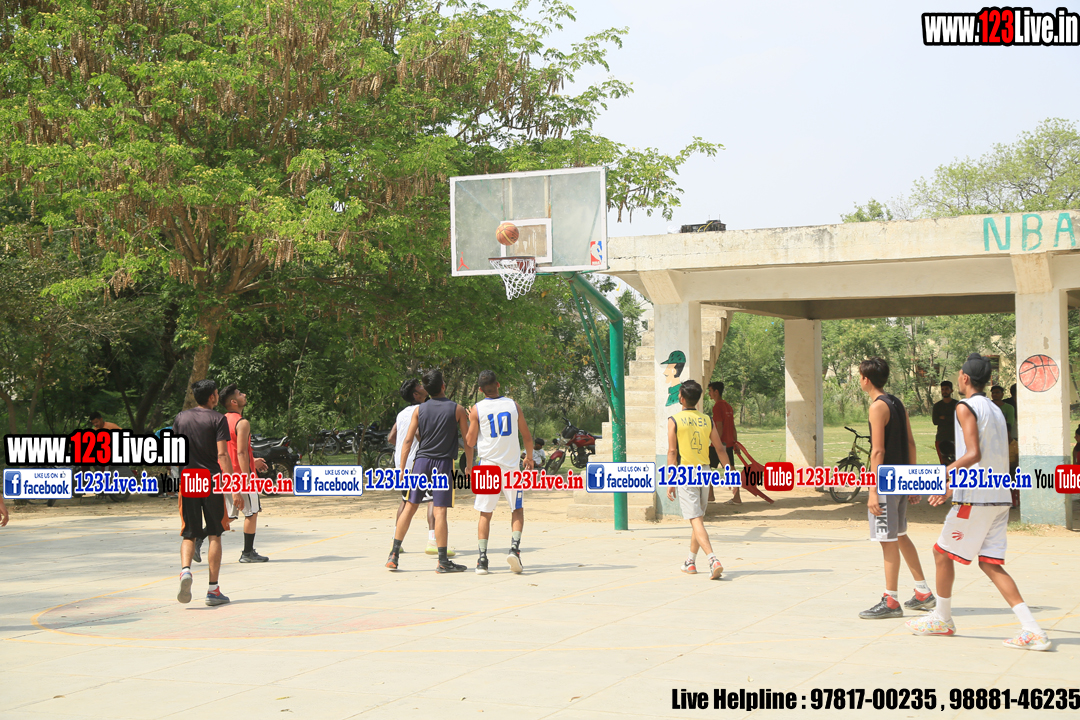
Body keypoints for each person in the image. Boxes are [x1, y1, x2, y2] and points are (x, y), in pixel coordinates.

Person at [907, 354, 1050, 650]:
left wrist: (945, 476)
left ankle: (942, 619)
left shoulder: (965, 406)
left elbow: (973, 454)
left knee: (941, 553)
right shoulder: (996, 409)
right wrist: (954, 486)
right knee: (990, 564)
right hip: (999, 496)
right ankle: (1032, 629)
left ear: (964, 378)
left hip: (977, 498)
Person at [858, 357, 935, 619]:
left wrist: (872, 490)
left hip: (886, 483)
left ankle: (890, 600)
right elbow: (911, 443)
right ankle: (923, 591)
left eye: (860, 376)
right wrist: (912, 481)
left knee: (887, 540)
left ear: (866, 379)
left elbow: (877, 451)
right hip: (901, 478)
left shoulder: (877, 407)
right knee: (900, 535)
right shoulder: (897, 403)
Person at [387, 369, 473, 573]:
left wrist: (401, 469)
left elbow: (407, 440)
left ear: (427, 389)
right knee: (440, 510)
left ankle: (393, 555)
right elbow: (468, 441)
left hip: (421, 462)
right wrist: (469, 466)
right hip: (443, 464)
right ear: (443, 386)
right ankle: (442, 561)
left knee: (410, 506)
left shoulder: (419, 410)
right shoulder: (457, 409)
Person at [172, 379, 234, 606]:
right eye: (216, 393)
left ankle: (186, 571)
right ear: (212, 397)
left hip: (188, 479)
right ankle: (213, 590)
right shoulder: (218, 419)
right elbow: (222, 455)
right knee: (215, 533)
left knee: (189, 533)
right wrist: (232, 484)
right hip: (212, 481)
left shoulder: (180, 418)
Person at [466, 370, 534, 574]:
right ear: (498, 384)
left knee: (485, 513)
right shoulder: (513, 405)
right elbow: (526, 436)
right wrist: (529, 457)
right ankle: (514, 550)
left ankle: (482, 560)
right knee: (517, 509)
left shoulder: (477, 409)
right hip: (511, 466)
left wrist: (471, 420)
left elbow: (470, 441)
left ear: (480, 390)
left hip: (488, 466)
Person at [665, 379, 726, 580]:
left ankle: (713, 559)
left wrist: (670, 480)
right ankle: (690, 562)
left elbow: (672, 452)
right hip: (705, 472)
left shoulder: (674, 420)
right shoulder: (707, 420)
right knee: (697, 518)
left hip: (686, 472)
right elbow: (719, 448)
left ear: (681, 398)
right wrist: (729, 472)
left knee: (696, 519)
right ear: (698, 400)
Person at [387, 378, 450, 556]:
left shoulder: (402, 413)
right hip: (419, 462)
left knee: (406, 501)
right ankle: (433, 540)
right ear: (416, 394)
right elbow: (416, 433)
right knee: (433, 499)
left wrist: (403, 451)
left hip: (402, 462)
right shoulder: (422, 410)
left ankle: (396, 541)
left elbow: (391, 437)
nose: (424, 387)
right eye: (420, 386)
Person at [219, 384, 269, 563]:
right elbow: (240, 452)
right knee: (251, 512)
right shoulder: (242, 422)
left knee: (230, 515)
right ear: (234, 402)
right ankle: (247, 553)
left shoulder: (221, 420)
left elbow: (227, 451)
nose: (244, 395)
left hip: (227, 474)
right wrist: (247, 477)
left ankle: (200, 537)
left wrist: (252, 460)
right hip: (241, 475)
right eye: (240, 394)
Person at [707, 381, 740, 504]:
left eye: (710, 391)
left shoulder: (717, 407)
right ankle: (737, 498)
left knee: (706, 467)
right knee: (731, 469)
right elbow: (733, 427)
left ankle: (710, 496)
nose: (709, 394)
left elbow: (719, 426)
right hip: (729, 443)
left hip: (719, 444)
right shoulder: (728, 406)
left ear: (716, 392)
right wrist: (735, 443)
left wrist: (716, 444)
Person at [991, 385, 1019, 474]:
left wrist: (1008, 435)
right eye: (993, 393)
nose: (995, 394)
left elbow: (1009, 423)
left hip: (1006, 436)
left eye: (997, 392)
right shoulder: (987, 406)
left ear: (1002, 394)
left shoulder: (1009, 407)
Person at [931, 381, 958, 465]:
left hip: (955, 438)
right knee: (944, 463)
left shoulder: (957, 404)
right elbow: (935, 421)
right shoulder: (937, 406)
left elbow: (958, 420)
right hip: (941, 438)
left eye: (946, 389)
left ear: (951, 390)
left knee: (956, 463)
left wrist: (944, 418)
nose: (944, 391)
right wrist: (951, 418)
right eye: (942, 389)